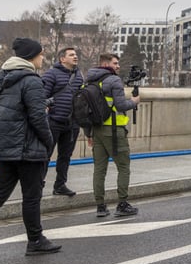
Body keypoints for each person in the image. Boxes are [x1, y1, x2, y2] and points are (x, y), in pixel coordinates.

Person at [0, 38, 61, 255]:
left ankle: (36, 239)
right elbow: (37, 119)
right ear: (31, 56)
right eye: (41, 54)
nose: (43, 58)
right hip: (28, 149)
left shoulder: (1, 77)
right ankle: (35, 241)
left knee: (0, 193)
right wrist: (49, 142)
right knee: (32, 196)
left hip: (6, 146)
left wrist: (43, 102)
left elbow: (11, 106)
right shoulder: (31, 80)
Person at [86, 53, 140, 218]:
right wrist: (134, 101)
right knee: (123, 167)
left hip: (96, 130)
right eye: (115, 63)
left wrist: (88, 133)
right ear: (105, 63)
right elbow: (120, 104)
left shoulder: (89, 80)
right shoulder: (114, 80)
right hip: (114, 130)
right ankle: (122, 204)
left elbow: (86, 109)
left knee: (99, 170)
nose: (117, 66)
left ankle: (100, 206)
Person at [42, 47, 83, 197]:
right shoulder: (51, 74)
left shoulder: (79, 75)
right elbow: (42, 97)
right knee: (45, 155)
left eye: (76, 55)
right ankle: (38, 184)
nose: (75, 57)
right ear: (62, 59)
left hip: (72, 123)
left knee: (65, 156)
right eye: (71, 55)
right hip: (53, 122)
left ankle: (60, 185)